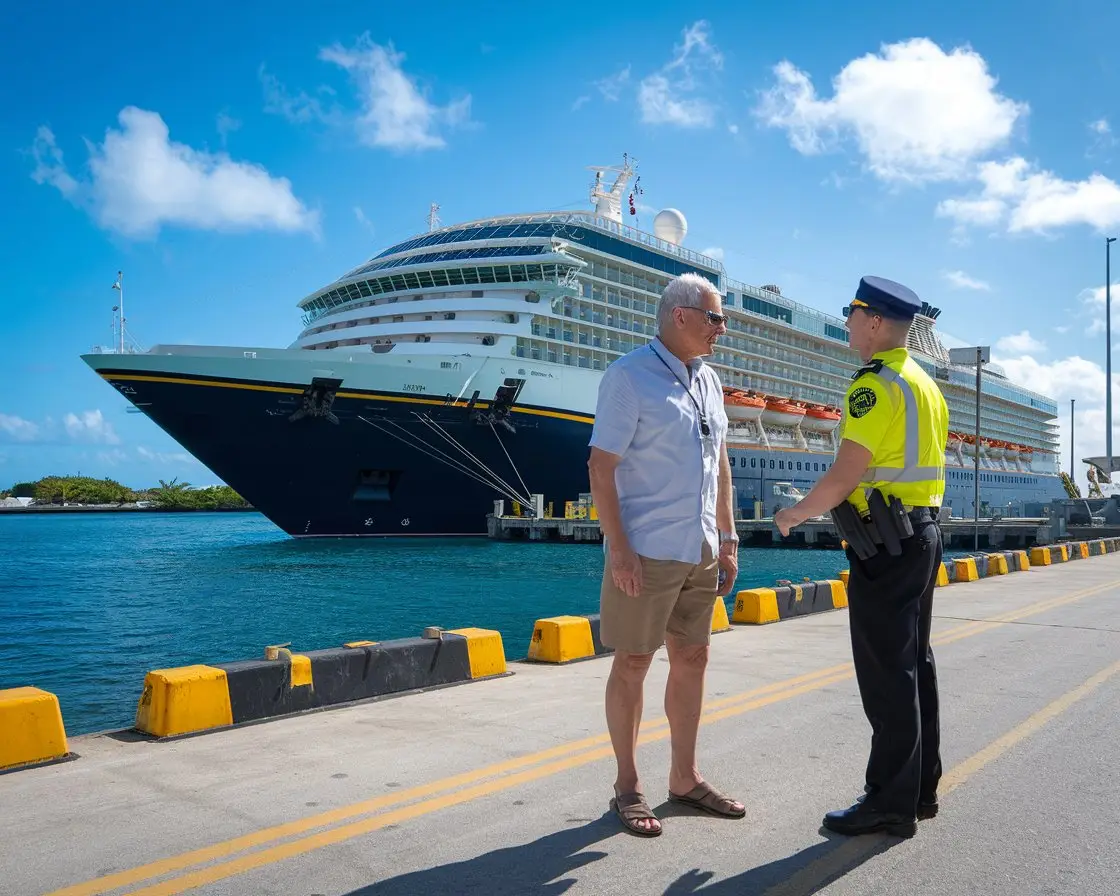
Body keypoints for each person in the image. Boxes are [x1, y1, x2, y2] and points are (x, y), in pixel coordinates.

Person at [774, 275, 948, 839]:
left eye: (851, 313)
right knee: (914, 665)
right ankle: (919, 791)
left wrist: (794, 514)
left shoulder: (873, 385)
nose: (846, 323)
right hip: (922, 534)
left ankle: (888, 803)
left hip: (886, 544)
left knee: (886, 675)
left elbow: (847, 472)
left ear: (874, 320)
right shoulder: (923, 382)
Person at [587, 272, 745, 837]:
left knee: (694, 657)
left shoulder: (710, 380)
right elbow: (600, 467)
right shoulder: (628, 377)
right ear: (680, 316)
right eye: (716, 318)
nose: (723, 329)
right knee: (632, 661)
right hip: (647, 548)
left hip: (700, 545)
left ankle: (684, 777)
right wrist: (619, 549)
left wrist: (727, 538)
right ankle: (627, 787)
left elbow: (720, 465)